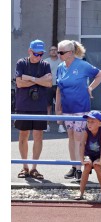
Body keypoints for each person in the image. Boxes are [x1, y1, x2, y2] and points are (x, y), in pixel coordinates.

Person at [55, 40, 101, 183]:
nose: (59, 54)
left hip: (80, 108)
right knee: (70, 137)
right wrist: (57, 109)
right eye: (58, 52)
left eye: (61, 52)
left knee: (79, 139)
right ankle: (74, 166)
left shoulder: (82, 65)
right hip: (67, 109)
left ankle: (80, 169)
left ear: (70, 53)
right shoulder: (60, 67)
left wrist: (90, 88)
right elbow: (59, 88)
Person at [14, 39, 52, 179]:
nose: (38, 56)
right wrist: (39, 79)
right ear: (29, 51)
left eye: (41, 54)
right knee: (23, 135)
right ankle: (25, 166)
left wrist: (30, 78)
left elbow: (49, 83)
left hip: (39, 105)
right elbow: (19, 83)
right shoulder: (21, 63)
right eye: (36, 53)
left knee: (38, 136)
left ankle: (34, 168)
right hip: (23, 105)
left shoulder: (45, 64)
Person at [74, 110, 101, 201]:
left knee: (97, 166)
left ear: (100, 123)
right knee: (87, 166)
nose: (89, 124)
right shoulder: (86, 131)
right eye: (88, 122)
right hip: (89, 154)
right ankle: (81, 192)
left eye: (92, 122)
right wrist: (82, 159)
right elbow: (82, 144)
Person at [44, 45, 66, 133]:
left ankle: (60, 126)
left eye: (55, 50)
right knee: (48, 106)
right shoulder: (45, 62)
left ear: (57, 51)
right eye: (51, 50)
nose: (53, 51)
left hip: (59, 86)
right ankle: (47, 125)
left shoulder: (62, 62)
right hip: (48, 86)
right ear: (49, 52)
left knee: (59, 106)